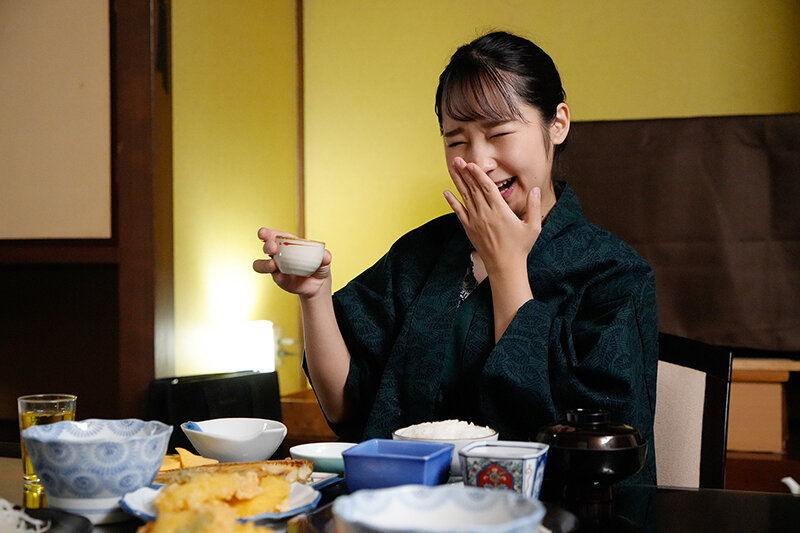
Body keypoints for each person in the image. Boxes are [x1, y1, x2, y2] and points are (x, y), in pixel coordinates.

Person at [254, 31, 658, 484]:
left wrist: (506, 267)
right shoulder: (423, 252)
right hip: (407, 504)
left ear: (557, 124)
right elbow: (346, 406)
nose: (478, 161)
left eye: (499, 133)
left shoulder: (613, 273)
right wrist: (314, 296)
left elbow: (599, 451)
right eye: (456, 141)